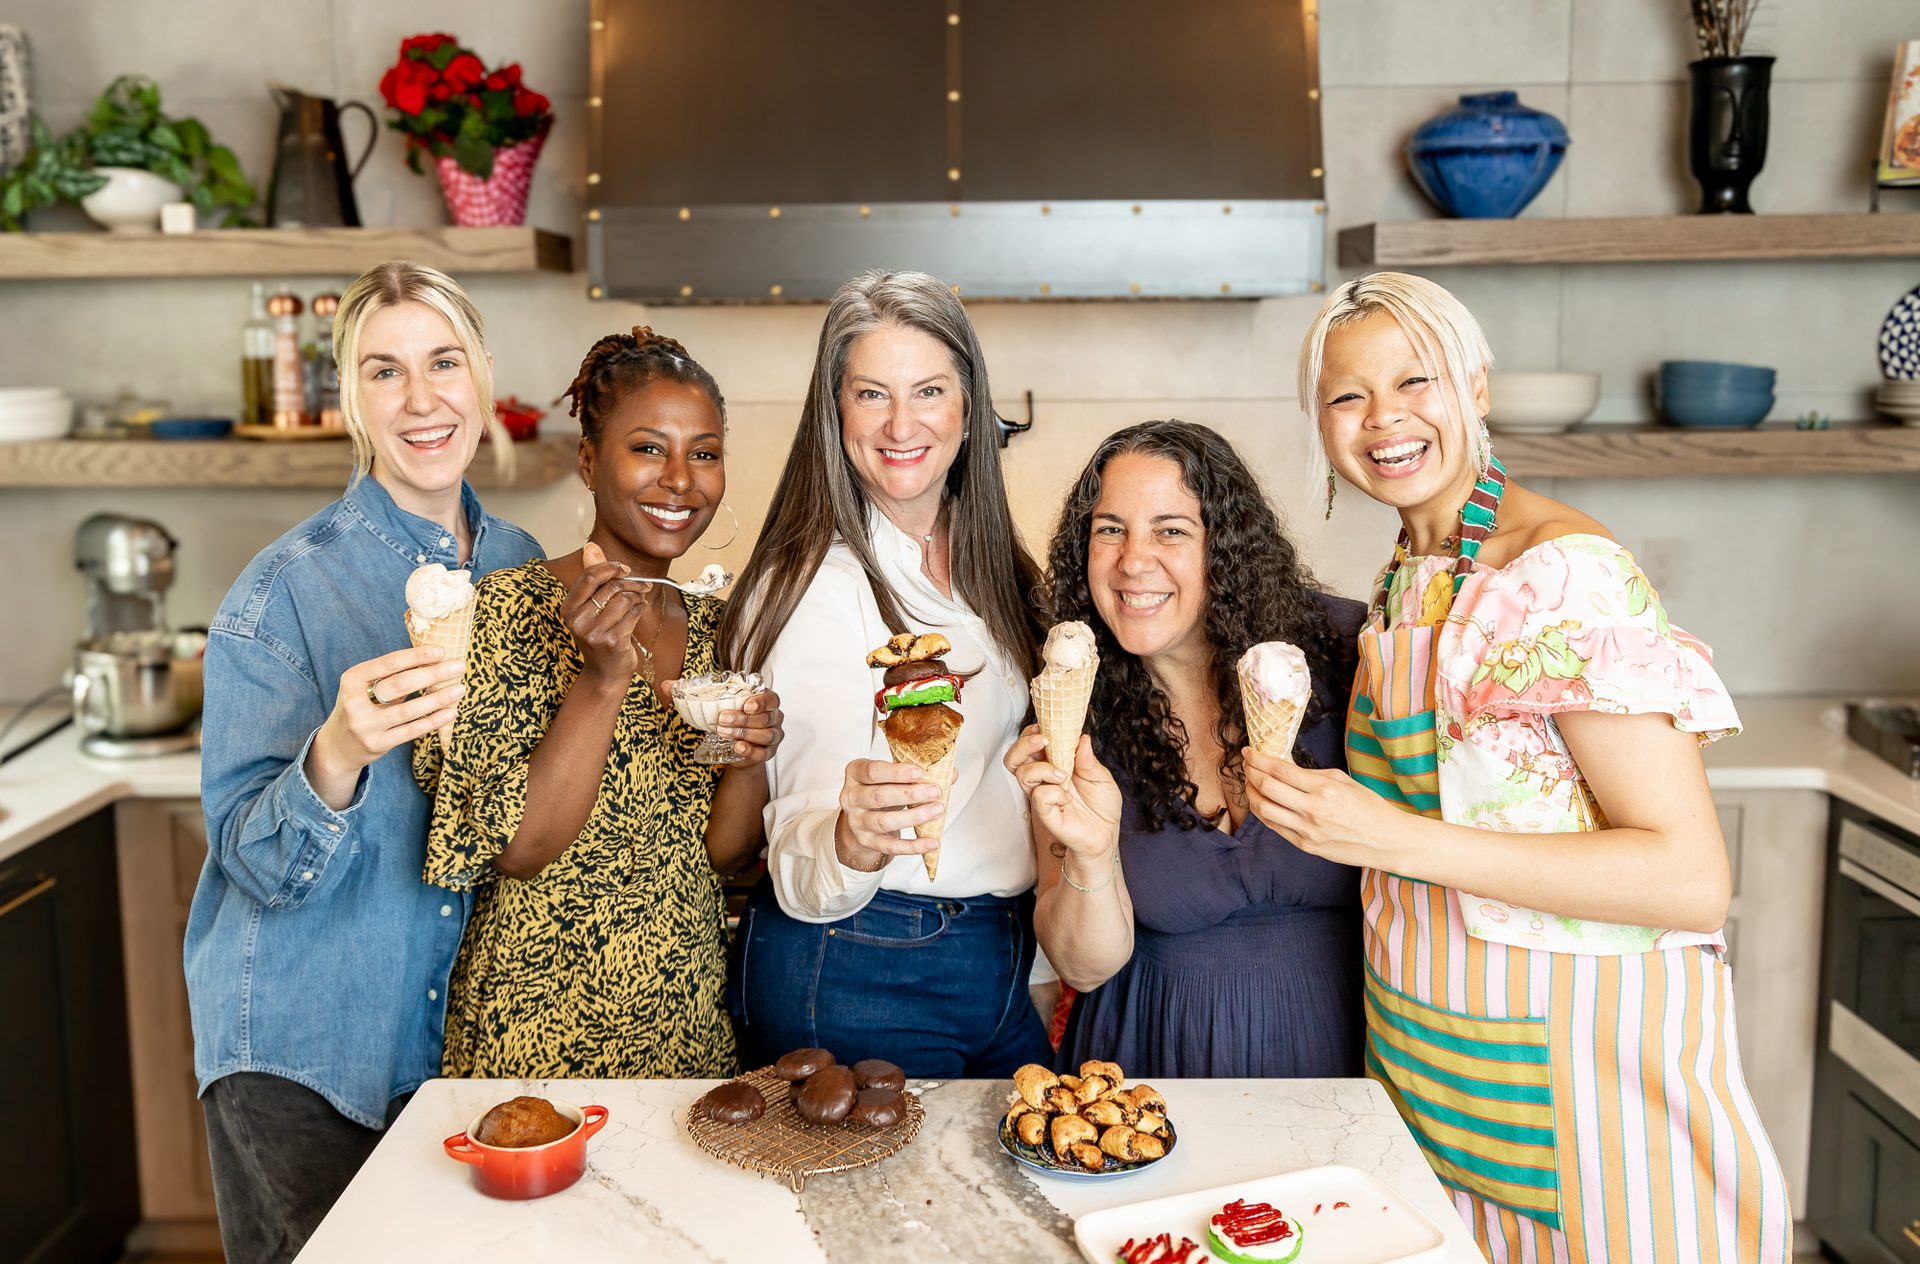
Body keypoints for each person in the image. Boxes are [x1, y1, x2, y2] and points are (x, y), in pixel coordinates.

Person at [1247, 271, 1789, 1261]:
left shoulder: (1560, 573)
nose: (1383, 419)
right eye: (1347, 395)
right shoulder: (1410, 575)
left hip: (1587, 1089)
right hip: (1443, 1074)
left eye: (1418, 381)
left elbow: (1688, 877)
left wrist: (1388, 836)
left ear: (1478, 387)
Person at [186, 261, 544, 1263]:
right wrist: (335, 752)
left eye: (442, 363)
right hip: (305, 1055)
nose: (422, 399)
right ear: (354, 399)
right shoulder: (282, 596)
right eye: (385, 372)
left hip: (451, 1055)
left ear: (479, 378)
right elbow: (248, 862)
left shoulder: (519, 565)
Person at [416, 326, 781, 1079]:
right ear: (589, 461)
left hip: (683, 1032)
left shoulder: (720, 628)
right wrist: (604, 678)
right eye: (648, 448)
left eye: (704, 453)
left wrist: (748, 761)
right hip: (532, 1036)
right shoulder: (508, 610)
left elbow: (716, 856)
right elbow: (520, 849)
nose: (681, 480)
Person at [718, 268, 1053, 1077]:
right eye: (871, 394)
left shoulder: (997, 573)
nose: (902, 422)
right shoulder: (809, 590)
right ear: (835, 417)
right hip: (859, 958)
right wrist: (849, 838)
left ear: (970, 410)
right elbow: (793, 837)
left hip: (996, 956)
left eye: (929, 389)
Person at [1003, 420, 1365, 1078]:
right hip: (1146, 1066)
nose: (1133, 560)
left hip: (1342, 1065)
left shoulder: (1348, 652)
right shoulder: (1076, 712)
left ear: (1226, 547)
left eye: (1171, 529)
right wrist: (1091, 849)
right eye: (1109, 528)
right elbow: (1083, 964)